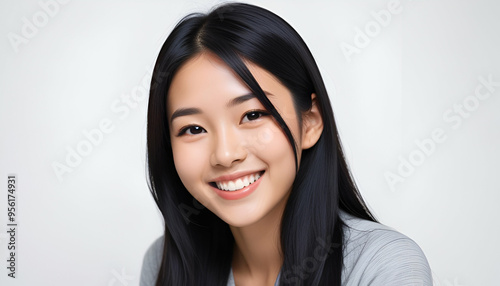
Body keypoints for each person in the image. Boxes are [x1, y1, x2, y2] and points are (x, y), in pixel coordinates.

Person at [141, 2, 432, 285]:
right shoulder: (164, 263)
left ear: (310, 121)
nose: (226, 154)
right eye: (193, 129)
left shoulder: (381, 263)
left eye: (252, 115)